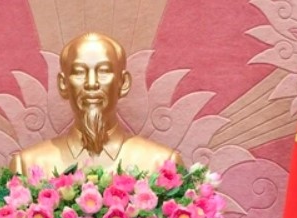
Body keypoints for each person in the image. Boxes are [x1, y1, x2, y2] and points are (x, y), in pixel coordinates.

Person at [10, 32, 182, 174]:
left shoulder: (163, 165)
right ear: (63, 84)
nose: (91, 83)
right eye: (79, 72)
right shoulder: (27, 166)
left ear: (123, 83)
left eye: (103, 71)